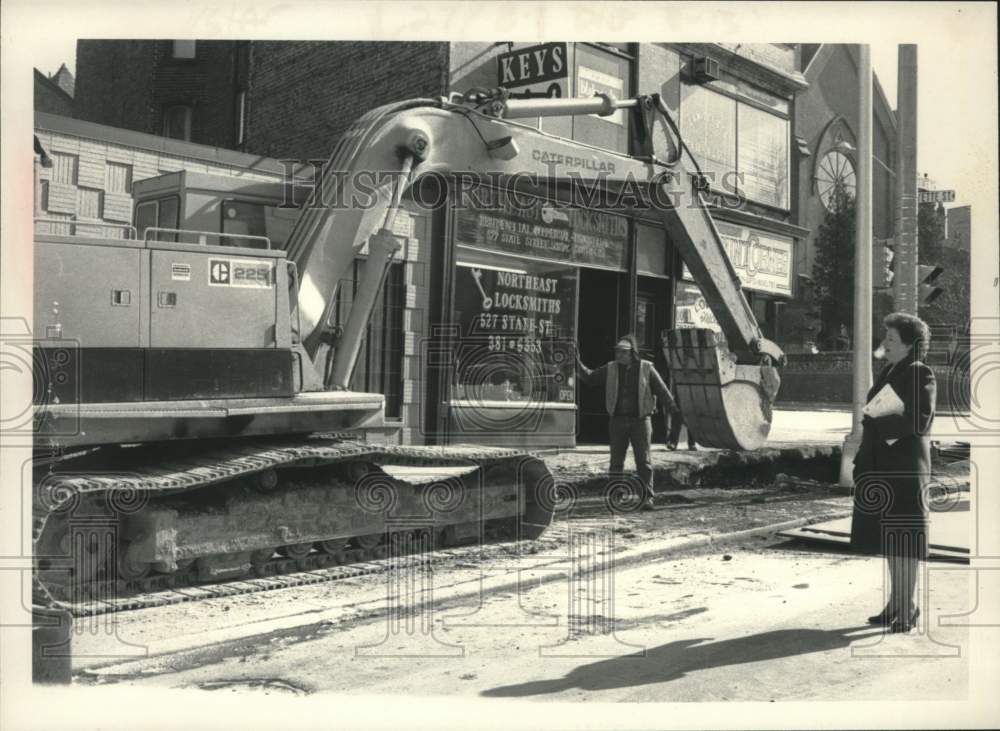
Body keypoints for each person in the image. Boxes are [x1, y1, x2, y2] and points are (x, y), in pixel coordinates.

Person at [850, 312, 936, 633]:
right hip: (880, 466)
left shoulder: (919, 372)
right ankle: (897, 603)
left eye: (890, 338)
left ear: (909, 344)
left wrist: (876, 419)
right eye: (885, 336)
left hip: (903, 469)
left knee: (904, 541)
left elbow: (920, 421)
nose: (884, 342)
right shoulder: (889, 369)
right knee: (889, 539)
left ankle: (908, 608)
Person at [576, 335, 676, 511]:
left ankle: (647, 498)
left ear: (632, 353)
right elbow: (590, 378)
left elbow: (663, 391)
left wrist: (675, 412)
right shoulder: (611, 368)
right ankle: (615, 496)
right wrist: (576, 363)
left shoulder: (647, 368)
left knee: (644, 461)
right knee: (616, 461)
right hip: (618, 421)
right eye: (617, 351)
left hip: (641, 421)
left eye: (622, 352)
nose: (618, 355)